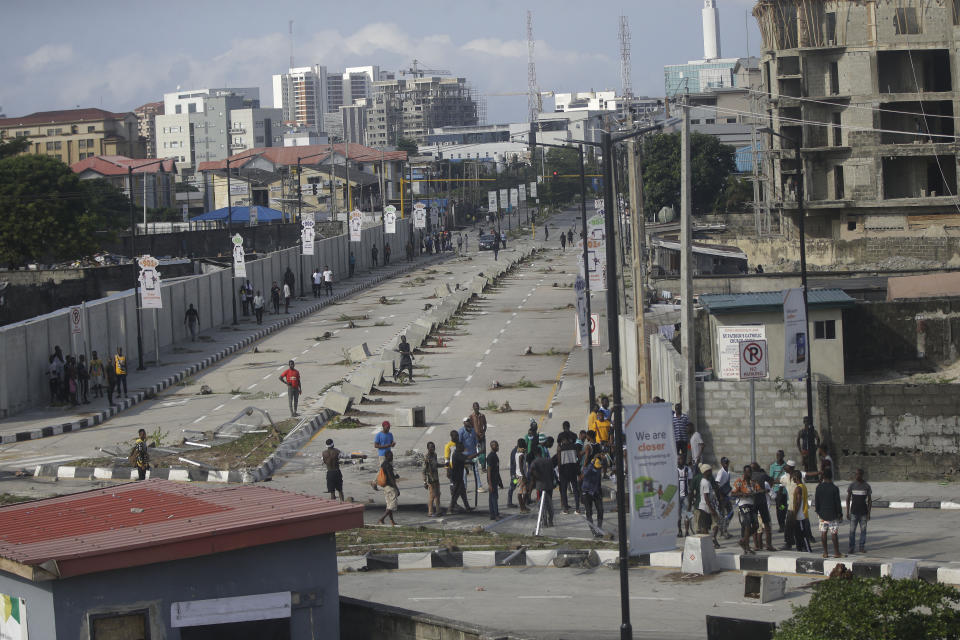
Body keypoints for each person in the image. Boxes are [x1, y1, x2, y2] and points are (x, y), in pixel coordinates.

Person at [731, 465, 761, 554]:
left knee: (756, 525)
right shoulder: (739, 481)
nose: (749, 474)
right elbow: (733, 493)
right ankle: (747, 546)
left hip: (752, 504)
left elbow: (758, 490)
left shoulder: (753, 482)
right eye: (747, 472)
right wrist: (742, 494)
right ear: (744, 472)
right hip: (743, 504)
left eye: (750, 472)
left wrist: (760, 491)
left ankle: (743, 540)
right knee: (748, 524)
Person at [815, 467, 843, 558]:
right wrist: (840, 514)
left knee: (823, 533)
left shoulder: (819, 487)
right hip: (833, 514)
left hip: (822, 514)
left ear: (823, 476)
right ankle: (836, 553)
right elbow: (837, 503)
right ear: (831, 476)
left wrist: (818, 512)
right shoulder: (834, 488)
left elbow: (817, 502)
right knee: (834, 533)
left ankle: (825, 553)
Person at [750, 462, 777, 551]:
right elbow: (773, 495)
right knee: (767, 527)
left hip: (753, 505)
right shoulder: (763, 477)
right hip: (763, 504)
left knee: (757, 529)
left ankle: (758, 546)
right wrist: (770, 489)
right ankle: (769, 545)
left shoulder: (748, 477)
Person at [528, 444, 555, 527]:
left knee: (541, 505)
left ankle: (544, 521)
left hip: (540, 487)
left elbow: (532, 477)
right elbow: (552, 474)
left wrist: (529, 491)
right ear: (540, 452)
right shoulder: (549, 461)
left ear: (535, 454)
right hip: (549, 486)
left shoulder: (534, 463)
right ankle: (550, 520)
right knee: (549, 504)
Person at [557, 421, 580, 514]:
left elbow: (559, 461)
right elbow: (578, 457)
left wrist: (559, 470)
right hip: (573, 468)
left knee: (564, 490)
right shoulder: (574, 446)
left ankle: (566, 509)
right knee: (575, 489)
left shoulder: (560, 448)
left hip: (564, 469)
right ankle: (577, 508)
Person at [846, 468, 872, 554]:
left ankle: (861, 547)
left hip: (863, 512)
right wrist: (847, 511)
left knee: (863, 531)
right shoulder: (852, 485)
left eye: (859, 474)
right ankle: (851, 547)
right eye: (856, 474)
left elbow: (869, 500)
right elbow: (848, 498)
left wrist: (868, 513)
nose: (857, 476)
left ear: (862, 475)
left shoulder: (866, 486)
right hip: (853, 512)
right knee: (852, 531)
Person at [695, 463, 721, 547]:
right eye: (709, 470)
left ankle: (712, 539)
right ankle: (709, 542)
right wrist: (711, 509)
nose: (711, 472)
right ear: (706, 472)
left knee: (714, 524)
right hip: (705, 507)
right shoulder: (705, 482)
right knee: (706, 526)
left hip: (707, 506)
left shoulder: (706, 481)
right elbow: (706, 497)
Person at [448, 441, 476, 514]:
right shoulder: (457, 454)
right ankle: (450, 509)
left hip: (459, 477)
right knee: (455, 494)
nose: (464, 448)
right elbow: (468, 457)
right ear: (459, 447)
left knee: (463, 493)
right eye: (462, 447)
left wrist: (469, 463)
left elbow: (462, 462)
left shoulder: (458, 454)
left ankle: (467, 508)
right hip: (456, 477)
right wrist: (479, 453)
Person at [458, 417, 485, 493]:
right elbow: (459, 443)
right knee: (464, 472)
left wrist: (478, 451)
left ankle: (479, 486)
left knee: (476, 470)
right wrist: (462, 450)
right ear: (464, 423)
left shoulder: (473, 430)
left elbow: (476, 442)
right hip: (465, 455)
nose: (468, 422)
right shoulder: (461, 431)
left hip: (473, 454)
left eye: (469, 421)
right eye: (467, 421)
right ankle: (464, 487)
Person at [582, 455, 604, 536]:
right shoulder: (589, 468)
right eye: (597, 467)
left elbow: (599, 482)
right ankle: (593, 531)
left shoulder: (599, 469)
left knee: (601, 509)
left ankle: (599, 528)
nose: (598, 469)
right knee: (589, 512)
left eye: (599, 467)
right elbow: (584, 474)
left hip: (596, 492)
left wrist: (600, 492)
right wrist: (591, 464)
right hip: (587, 492)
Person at [791, 469, 813, 552]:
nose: (792, 479)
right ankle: (800, 550)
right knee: (798, 535)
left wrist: (794, 515)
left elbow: (798, 502)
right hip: (801, 515)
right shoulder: (803, 486)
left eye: (793, 477)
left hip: (800, 516)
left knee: (803, 535)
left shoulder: (798, 488)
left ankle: (808, 550)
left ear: (796, 477)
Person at [377, 450, 400, 526]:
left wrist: (395, 476)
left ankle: (392, 521)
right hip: (390, 487)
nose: (392, 458)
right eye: (391, 456)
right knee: (392, 505)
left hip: (385, 487)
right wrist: (397, 488)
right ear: (387, 457)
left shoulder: (383, 464)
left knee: (389, 505)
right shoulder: (388, 466)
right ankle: (381, 519)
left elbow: (387, 476)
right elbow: (390, 478)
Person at [780, 459, 798, 550]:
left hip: (798, 506)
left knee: (799, 526)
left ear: (790, 467)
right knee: (788, 526)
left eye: (786, 466)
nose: (784, 467)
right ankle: (789, 543)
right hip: (790, 506)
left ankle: (801, 543)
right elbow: (779, 483)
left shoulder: (797, 477)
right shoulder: (785, 477)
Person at [769, 450, 788, 532]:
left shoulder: (786, 466)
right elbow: (771, 479)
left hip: (786, 490)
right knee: (779, 507)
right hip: (777, 491)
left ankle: (783, 522)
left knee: (784, 507)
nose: (779, 457)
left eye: (780, 455)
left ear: (783, 456)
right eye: (777, 455)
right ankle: (781, 525)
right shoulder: (773, 466)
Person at [423, 441, 442, 517]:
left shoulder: (435, 455)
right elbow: (424, 470)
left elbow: (436, 465)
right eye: (431, 447)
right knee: (432, 495)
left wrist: (444, 465)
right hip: (430, 479)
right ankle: (430, 512)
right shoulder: (426, 458)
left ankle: (438, 511)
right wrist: (425, 482)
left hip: (436, 477)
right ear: (428, 448)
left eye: (433, 447)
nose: (432, 449)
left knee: (438, 495)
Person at [677, 453, 694, 537]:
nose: (680, 460)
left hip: (686, 495)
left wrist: (691, 495)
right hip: (677, 497)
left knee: (687, 514)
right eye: (679, 459)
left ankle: (687, 531)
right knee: (678, 515)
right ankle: (679, 531)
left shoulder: (688, 469)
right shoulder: (674, 470)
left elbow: (690, 483)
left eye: (681, 459)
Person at [487, 440, 504, 520]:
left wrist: (500, 481)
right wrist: (490, 484)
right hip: (492, 481)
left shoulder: (495, 456)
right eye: (496, 446)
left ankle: (492, 514)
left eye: (497, 445)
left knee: (492, 498)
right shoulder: (491, 457)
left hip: (495, 480)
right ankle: (496, 515)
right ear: (492, 446)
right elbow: (489, 471)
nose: (497, 447)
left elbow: (497, 470)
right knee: (494, 498)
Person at [470, 401, 488, 471]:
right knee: (475, 452)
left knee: (483, 452)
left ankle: (483, 467)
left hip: (482, 436)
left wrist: (483, 432)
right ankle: (473, 466)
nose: (476, 408)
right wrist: (474, 435)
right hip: (475, 437)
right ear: (473, 408)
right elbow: (471, 427)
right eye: (475, 407)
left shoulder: (482, 416)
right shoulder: (471, 416)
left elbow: (485, 425)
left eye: (477, 407)